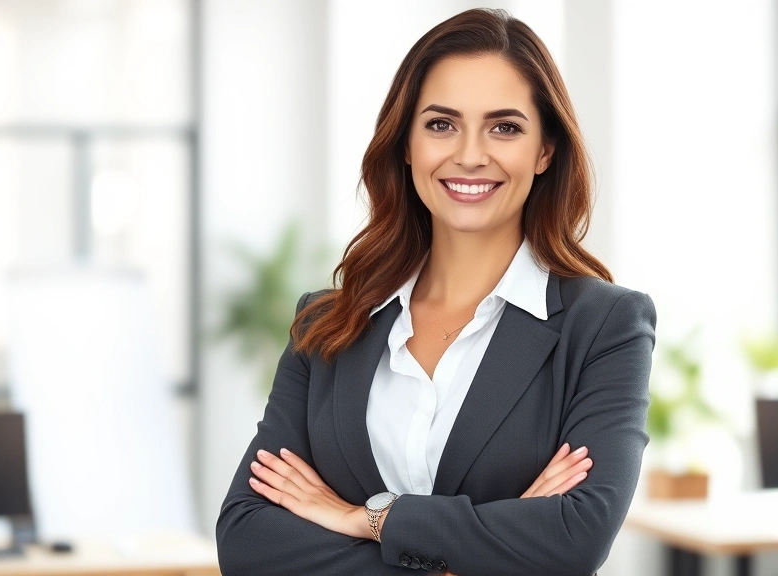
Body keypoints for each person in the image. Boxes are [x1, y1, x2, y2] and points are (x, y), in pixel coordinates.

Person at [217, 8, 655, 576]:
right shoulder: (326, 323)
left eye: (505, 127)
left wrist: (368, 518)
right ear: (406, 144)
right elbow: (248, 540)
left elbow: (574, 538)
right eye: (441, 124)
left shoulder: (604, 327)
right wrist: (469, 555)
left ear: (545, 150)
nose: (470, 154)